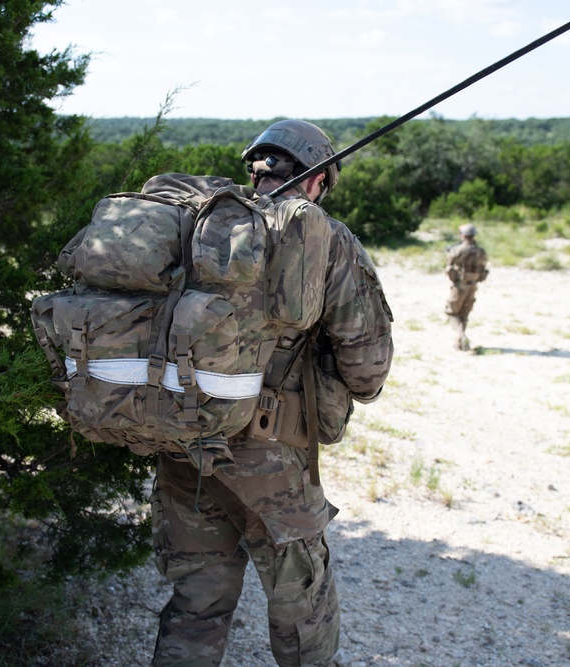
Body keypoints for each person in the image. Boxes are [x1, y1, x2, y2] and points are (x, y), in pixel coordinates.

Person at [150, 119, 394, 667]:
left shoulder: (196, 223)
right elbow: (369, 366)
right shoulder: (325, 238)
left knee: (195, 606)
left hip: (182, 438)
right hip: (271, 457)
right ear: (314, 181)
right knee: (303, 607)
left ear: (257, 169)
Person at [444, 223, 489, 351]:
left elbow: (449, 269)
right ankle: (459, 342)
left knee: (452, 312)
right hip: (473, 286)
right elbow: (483, 269)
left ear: (463, 235)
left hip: (459, 286)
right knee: (464, 313)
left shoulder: (456, 251)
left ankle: (460, 335)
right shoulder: (480, 252)